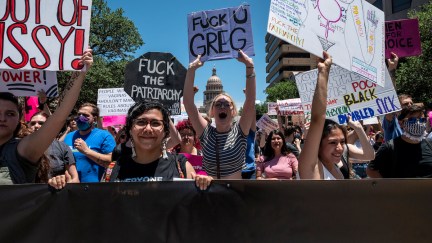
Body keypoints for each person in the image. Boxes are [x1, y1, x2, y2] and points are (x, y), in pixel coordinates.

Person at [50, 101, 212, 190]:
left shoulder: (182, 166)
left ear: (165, 131)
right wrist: (58, 183)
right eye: (141, 122)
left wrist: (205, 185)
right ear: (130, 130)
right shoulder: (113, 169)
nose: (148, 129)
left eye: (155, 123)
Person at [0, 49, 93, 185]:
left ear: (19, 118)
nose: (2, 118)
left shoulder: (22, 149)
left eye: (10, 114)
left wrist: (79, 72)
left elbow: (59, 116)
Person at [183, 50, 256, 179]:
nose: (222, 106)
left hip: (234, 194)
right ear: (211, 111)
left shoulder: (240, 132)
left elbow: (250, 102)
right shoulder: (206, 133)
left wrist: (249, 67)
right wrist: (191, 70)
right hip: (210, 194)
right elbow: (188, 103)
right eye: (218, 104)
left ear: (233, 111)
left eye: (227, 104)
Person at [298, 52, 345, 180]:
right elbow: (318, 119)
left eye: (342, 142)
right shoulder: (311, 167)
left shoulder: (336, 168)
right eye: (333, 142)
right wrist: (324, 72)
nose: (340, 148)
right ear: (318, 143)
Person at [367, 104, 432, 178]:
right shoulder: (389, 147)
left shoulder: (430, 144)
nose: (418, 123)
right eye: (412, 120)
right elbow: (371, 170)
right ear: (401, 123)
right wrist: (389, 186)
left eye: (421, 119)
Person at [63, 103, 116, 182]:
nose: (81, 117)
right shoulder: (69, 137)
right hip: (71, 186)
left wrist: (87, 151)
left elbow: (113, 162)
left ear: (94, 119)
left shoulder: (104, 136)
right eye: (79, 114)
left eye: (85, 115)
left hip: (95, 188)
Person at [28, 111, 80, 183]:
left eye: (41, 123)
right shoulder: (20, 147)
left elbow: (74, 178)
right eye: (33, 123)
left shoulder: (62, 147)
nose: (36, 126)